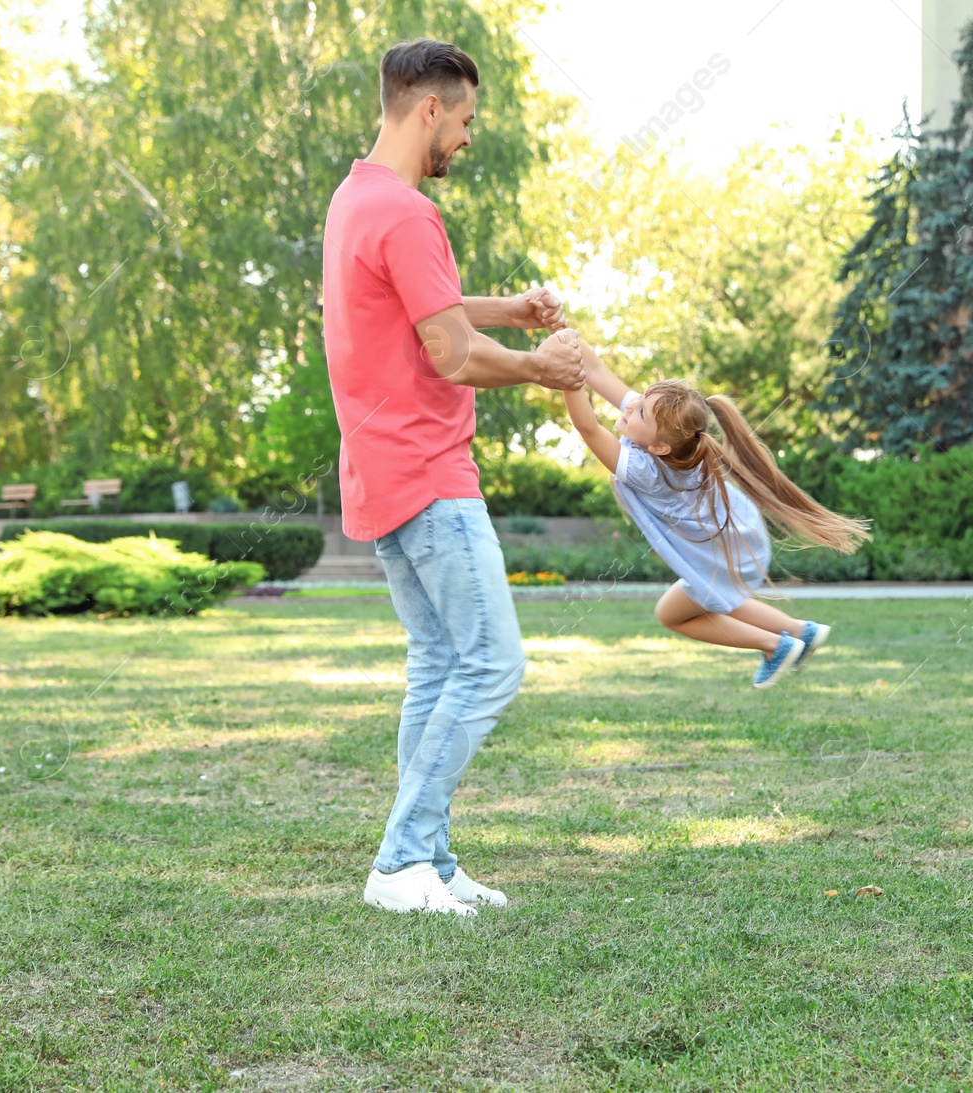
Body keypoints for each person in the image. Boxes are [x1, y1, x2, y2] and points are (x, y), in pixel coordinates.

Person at [321, 38, 586, 917]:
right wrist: (545, 366)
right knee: (493, 664)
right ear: (428, 108)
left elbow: (423, 305)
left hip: (382, 470)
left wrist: (508, 309)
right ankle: (400, 860)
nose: (468, 137)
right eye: (466, 119)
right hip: (430, 473)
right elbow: (452, 351)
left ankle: (426, 860)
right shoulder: (406, 213)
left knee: (438, 665)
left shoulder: (357, 200)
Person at [561, 340, 871, 689]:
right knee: (717, 602)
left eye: (641, 411)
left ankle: (776, 644)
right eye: (640, 402)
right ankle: (800, 630)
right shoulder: (668, 432)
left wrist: (566, 378)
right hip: (734, 543)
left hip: (722, 555)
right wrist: (563, 335)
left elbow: (588, 428)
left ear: (660, 446)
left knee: (672, 614)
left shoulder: (648, 470)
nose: (632, 407)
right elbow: (599, 371)